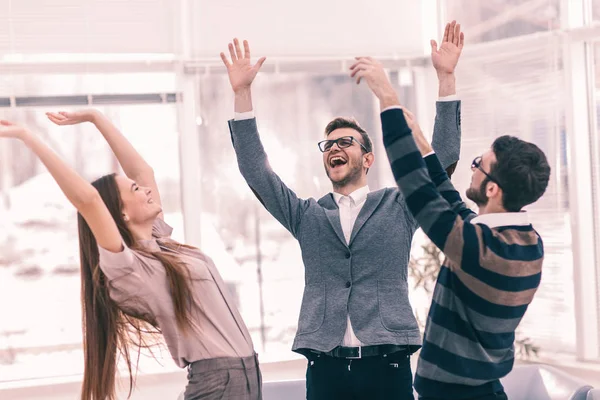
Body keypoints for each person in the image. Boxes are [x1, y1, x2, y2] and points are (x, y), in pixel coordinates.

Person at [220, 21, 464, 400]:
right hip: (326, 367)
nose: (334, 147)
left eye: (345, 141)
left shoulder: (398, 206)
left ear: (367, 159)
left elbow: (443, 159)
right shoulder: (307, 216)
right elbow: (256, 171)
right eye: (328, 144)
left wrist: (446, 78)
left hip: (388, 364)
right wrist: (242, 94)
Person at [0, 110, 261, 400]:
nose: (148, 190)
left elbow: (143, 171)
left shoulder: (162, 245)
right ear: (122, 213)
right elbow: (87, 200)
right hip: (219, 382)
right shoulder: (131, 269)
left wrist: (96, 118)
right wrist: (28, 137)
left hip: (245, 375)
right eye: (136, 190)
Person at [356, 45, 550, 400]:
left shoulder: (478, 248)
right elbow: (454, 207)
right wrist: (422, 140)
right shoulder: (526, 243)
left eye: (479, 164)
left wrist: (387, 97)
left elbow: (416, 188)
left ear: (492, 188)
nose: (472, 168)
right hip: (483, 390)